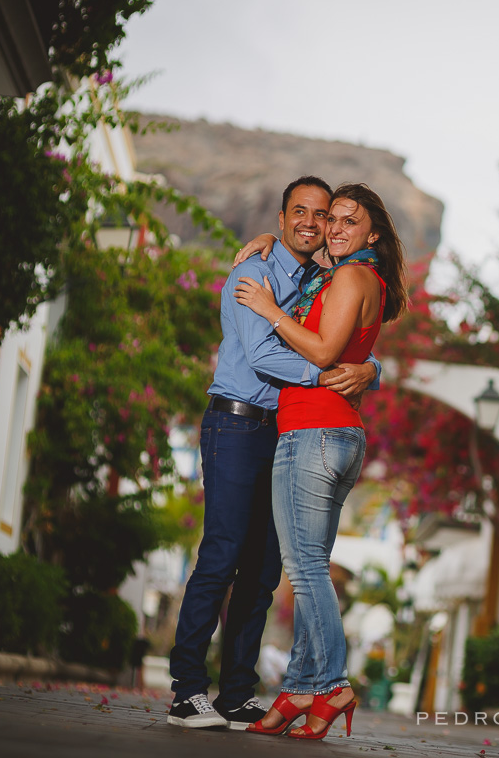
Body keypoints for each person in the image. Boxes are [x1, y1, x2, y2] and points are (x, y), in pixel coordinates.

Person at [167, 176, 381, 730]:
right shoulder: (250, 274)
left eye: (323, 214)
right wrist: (328, 373)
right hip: (236, 426)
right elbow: (263, 355)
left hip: (285, 433)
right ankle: (186, 690)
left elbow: (355, 324)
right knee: (221, 556)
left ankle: (236, 692)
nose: (314, 223)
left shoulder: (324, 276)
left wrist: (370, 369)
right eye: (301, 213)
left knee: (263, 572)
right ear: (282, 219)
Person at [232, 182, 407, 740]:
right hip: (337, 432)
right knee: (311, 567)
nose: (334, 227)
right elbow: (351, 350)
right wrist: (270, 236)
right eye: (332, 218)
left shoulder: (352, 276)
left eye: (348, 221)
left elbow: (326, 351)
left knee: (307, 570)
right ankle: (303, 686)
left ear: (371, 233)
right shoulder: (355, 275)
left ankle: (330, 682)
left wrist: (266, 309)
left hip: (313, 430)